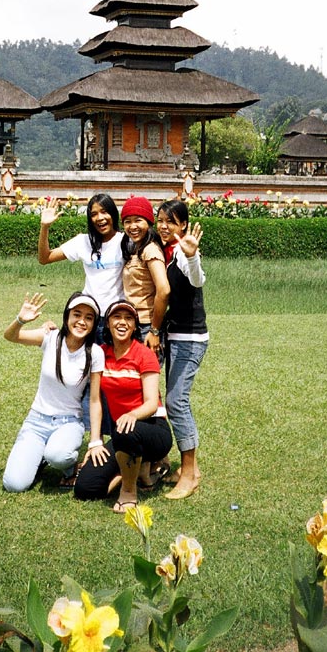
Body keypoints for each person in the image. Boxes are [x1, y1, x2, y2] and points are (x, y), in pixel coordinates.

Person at [73, 298, 172, 512]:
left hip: (154, 430)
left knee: (124, 431)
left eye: (129, 318)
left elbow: (151, 404)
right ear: (107, 323)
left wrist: (132, 415)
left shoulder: (144, 354)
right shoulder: (101, 353)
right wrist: (95, 442)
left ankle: (129, 492)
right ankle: (140, 470)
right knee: (85, 488)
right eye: (116, 317)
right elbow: (96, 400)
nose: (122, 322)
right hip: (123, 433)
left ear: (135, 326)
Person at [2, 291, 104, 493]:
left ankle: (68, 468)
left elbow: (94, 400)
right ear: (67, 316)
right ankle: (38, 456)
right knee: (14, 485)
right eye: (77, 314)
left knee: (58, 455)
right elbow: (11, 336)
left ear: (94, 324)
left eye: (89, 317)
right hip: (36, 421)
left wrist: (95, 441)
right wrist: (20, 320)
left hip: (69, 422)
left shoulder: (95, 353)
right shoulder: (50, 338)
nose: (81, 321)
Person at [157, 198, 207, 500]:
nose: (164, 227)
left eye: (171, 222)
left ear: (184, 225)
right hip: (171, 337)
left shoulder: (184, 252)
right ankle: (190, 469)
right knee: (169, 400)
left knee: (177, 402)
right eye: (160, 220)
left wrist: (191, 254)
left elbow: (197, 278)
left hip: (190, 339)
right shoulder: (162, 252)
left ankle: (189, 474)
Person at [38, 194, 124, 318]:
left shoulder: (125, 241)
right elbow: (44, 258)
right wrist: (44, 227)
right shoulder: (83, 241)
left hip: (117, 315)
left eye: (104, 212)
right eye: (94, 214)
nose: (100, 218)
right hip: (89, 314)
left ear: (113, 214)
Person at [119, 195, 170, 353]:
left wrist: (154, 330)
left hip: (147, 325)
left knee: (146, 376)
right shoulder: (135, 249)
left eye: (138, 220)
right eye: (128, 221)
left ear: (149, 222)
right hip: (134, 323)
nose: (132, 226)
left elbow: (164, 290)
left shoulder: (150, 250)